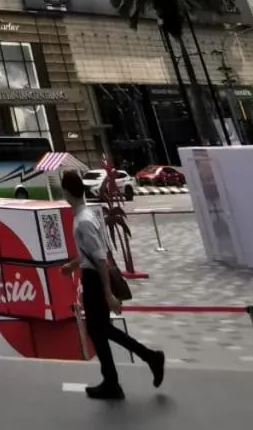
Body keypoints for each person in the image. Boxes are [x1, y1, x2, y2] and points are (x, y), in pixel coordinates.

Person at [61, 169, 165, 400]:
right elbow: (93, 253)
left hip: (96, 281)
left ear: (67, 192)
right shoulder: (86, 216)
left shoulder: (83, 221)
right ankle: (113, 379)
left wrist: (108, 293)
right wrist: (73, 264)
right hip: (92, 277)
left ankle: (147, 359)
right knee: (99, 331)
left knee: (100, 330)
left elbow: (100, 259)